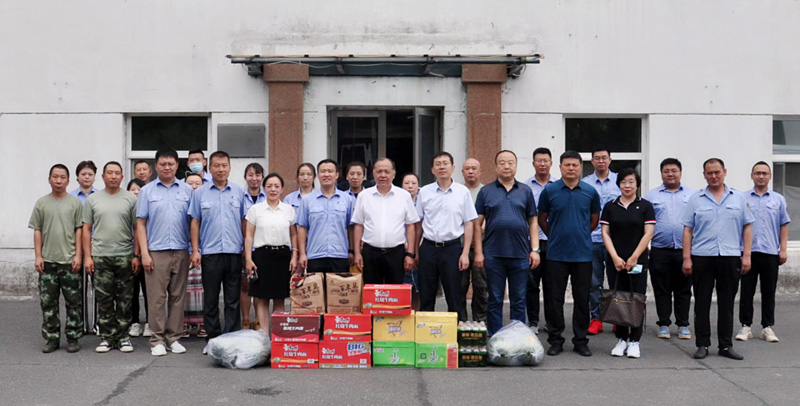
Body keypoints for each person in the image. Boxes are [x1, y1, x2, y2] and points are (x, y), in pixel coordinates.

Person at [683, 158, 754, 360]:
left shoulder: (738, 198)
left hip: (730, 257)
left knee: (727, 303)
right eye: (709, 173)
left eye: (717, 172)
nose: (713, 176)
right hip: (702, 257)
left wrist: (746, 255)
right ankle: (702, 344)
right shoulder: (696, 199)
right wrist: (686, 257)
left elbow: (748, 226)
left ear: (724, 172)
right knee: (701, 303)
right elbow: (687, 230)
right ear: (704, 175)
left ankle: (725, 345)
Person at [538, 150, 601, 357]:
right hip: (556, 254)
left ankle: (580, 341)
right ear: (560, 167)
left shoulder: (590, 192)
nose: (571, 168)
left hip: (582, 254)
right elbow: (542, 219)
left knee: (582, 299)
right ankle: (555, 340)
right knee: (554, 299)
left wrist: (580, 234)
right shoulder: (550, 191)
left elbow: (594, 220)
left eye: (575, 165)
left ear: (580, 167)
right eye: (567, 165)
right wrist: (555, 235)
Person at [474, 151, 540, 336]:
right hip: (493, 254)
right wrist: (478, 252)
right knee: (495, 298)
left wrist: (535, 250)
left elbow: (533, 221)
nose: (506, 166)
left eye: (510, 163)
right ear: (496, 167)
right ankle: (496, 336)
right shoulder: (486, 191)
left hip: (520, 254)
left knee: (518, 299)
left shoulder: (525, 191)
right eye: (502, 163)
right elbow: (477, 224)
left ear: (516, 166)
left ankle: (516, 337)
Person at [136, 148, 194, 357]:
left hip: (181, 250)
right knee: (156, 298)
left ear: (177, 166)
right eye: (163, 164)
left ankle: (174, 338)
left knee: (178, 296)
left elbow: (193, 223)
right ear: (156, 166)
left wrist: (193, 250)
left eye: (171, 164)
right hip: (156, 251)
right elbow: (140, 223)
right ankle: (157, 339)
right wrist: (144, 253)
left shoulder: (188, 190)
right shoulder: (147, 191)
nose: (167, 167)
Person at [82, 161, 139, 353]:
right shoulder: (93, 199)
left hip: (125, 255)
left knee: (125, 299)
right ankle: (107, 337)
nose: (113, 176)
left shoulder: (130, 199)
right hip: (100, 256)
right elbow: (86, 229)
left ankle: (123, 337)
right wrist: (88, 257)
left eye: (117, 173)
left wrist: (137, 254)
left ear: (122, 177)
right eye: (110, 173)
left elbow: (138, 228)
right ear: (103, 176)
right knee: (104, 299)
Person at [189, 151, 247, 339]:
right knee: (211, 299)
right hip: (210, 254)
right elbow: (195, 221)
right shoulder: (200, 193)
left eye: (224, 165)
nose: (220, 169)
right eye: (216, 165)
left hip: (234, 252)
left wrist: (246, 250)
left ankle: (231, 338)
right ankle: (213, 339)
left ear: (229, 168)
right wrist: (195, 250)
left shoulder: (238, 191)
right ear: (210, 167)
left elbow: (244, 221)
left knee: (232, 299)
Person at [414, 152, 477, 321]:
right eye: (438, 164)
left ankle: (455, 333)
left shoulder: (462, 192)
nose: (442, 167)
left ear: (453, 168)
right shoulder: (424, 192)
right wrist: (415, 251)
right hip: (428, 248)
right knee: (427, 295)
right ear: (432, 170)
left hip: (452, 249)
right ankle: (425, 332)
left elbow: (469, 223)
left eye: (445, 163)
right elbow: (418, 223)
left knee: (455, 296)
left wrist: (465, 253)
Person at [600, 168, 655, 358]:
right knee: (619, 298)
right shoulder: (610, 206)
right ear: (618, 185)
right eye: (623, 182)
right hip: (615, 261)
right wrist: (615, 257)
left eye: (631, 181)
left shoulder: (645, 206)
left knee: (636, 298)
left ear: (637, 184)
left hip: (638, 261)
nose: (627, 185)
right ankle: (621, 339)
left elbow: (648, 233)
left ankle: (635, 341)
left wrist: (634, 257)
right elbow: (605, 233)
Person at [29, 164, 84, 353]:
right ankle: (52, 338)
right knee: (48, 303)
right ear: (49, 179)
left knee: (74, 302)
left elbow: (79, 230)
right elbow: (37, 230)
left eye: (62, 177)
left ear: (68, 181)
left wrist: (78, 255)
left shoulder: (75, 203)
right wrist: (38, 256)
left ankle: (73, 337)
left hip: (69, 261)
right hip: (48, 261)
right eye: (55, 177)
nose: (58, 180)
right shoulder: (41, 203)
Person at [736, 161, 790, 343]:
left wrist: (783, 249)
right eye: (757, 173)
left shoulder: (778, 200)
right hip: (747, 252)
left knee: (769, 291)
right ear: (752, 176)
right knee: (746, 291)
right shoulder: (742, 198)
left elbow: (783, 225)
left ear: (770, 176)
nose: (761, 176)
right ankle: (746, 326)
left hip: (770, 252)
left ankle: (767, 327)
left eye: (764, 173)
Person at [644, 158, 695, 340]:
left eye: (674, 170)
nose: (670, 174)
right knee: (661, 288)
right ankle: (664, 324)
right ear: (661, 174)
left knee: (684, 289)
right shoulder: (651, 196)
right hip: (660, 250)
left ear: (680, 173)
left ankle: (683, 324)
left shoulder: (692, 195)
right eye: (666, 171)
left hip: (685, 251)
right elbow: (645, 222)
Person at [244, 173, 298, 333]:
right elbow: (249, 236)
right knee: (262, 298)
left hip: (283, 256)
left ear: (282, 189)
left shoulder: (288, 210)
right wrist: (248, 259)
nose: (273, 189)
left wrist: (295, 255)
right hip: (262, 256)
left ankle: (277, 335)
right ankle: (264, 335)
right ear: (264, 188)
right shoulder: (255, 210)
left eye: (276, 186)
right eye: (269, 186)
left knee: (280, 297)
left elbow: (294, 235)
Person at [353, 158, 419, 284]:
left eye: (387, 172)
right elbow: (358, 225)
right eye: (379, 171)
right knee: (372, 291)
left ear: (393, 174)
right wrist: (357, 253)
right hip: (370, 252)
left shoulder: (403, 196)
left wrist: (410, 254)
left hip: (396, 253)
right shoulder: (364, 196)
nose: (383, 175)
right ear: (373, 173)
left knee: (395, 291)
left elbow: (410, 225)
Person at [582, 148, 620, 335]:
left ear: (610, 160)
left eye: (604, 158)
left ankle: (616, 318)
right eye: (597, 158)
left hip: (615, 241)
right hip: (592, 239)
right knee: (594, 282)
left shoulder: (620, 181)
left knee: (615, 281)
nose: (601, 161)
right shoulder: (585, 183)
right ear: (592, 161)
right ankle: (596, 319)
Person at [297, 159, 355, 274]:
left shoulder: (347, 199)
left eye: (330, 171)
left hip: (340, 256)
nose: (326, 174)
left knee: (339, 286)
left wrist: (351, 251)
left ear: (337, 175)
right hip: (315, 256)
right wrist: (303, 254)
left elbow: (351, 228)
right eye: (323, 171)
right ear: (318, 175)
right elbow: (302, 228)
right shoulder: (307, 200)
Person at [524, 147, 556, 332]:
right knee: (531, 285)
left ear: (551, 163)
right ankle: (533, 322)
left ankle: (552, 322)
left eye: (545, 160)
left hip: (553, 242)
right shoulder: (525, 187)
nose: (542, 164)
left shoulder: (558, 185)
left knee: (552, 286)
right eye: (539, 160)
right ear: (533, 163)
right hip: (532, 244)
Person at [72, 160, 99, 334]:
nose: (87, 177)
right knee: (78, 286)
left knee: (98, 286)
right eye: (83, 174)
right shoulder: (71, 197)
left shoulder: (100, 196)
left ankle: (97, 323)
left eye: (90, 174)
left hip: (96, 245)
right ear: (77, 177)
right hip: (77, 247)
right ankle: (81, 323)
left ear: (95, 177)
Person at [460, 158, 488, 322]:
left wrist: (482, 226)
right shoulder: (457, 191)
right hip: (460, 246)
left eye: (474, 168)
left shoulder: (487, 191)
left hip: (481, 247)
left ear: (480, 172)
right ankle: (460, 322)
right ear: (462, 172)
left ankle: (480, 321)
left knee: (481, 287)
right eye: (467, 168)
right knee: (459, 287)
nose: (470, 171)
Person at [241, 163, 266, 331]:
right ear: (245, 177)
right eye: (250, 175)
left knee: (259, 286)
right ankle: (245, 320)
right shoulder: (239, 196)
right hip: (243, 247)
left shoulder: (267, 196)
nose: (254, 179)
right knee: (244, 285)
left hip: (262, 247)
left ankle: (258, 320)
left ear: (262, 177)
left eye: (257, 175)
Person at [126, 179, 152, 339]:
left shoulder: (149, 205)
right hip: (129, 254)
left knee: (149, 290)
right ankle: (134, 321)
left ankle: (150, 321)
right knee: (132, 291)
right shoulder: (125, 207)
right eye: (133, 189)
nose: (136, 192)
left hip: (147, 254)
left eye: (139, 189)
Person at [182, 173, 206, 338]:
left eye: (198, 183)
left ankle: (202, 323)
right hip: (184, 250)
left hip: (203, 251)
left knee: (203, 290)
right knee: (183, 290)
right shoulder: (181, 203)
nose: (194, 186)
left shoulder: (204, 202)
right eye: (190, 183)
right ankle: (183, 324)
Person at [402, 173, 422, 310]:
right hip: (401, 248)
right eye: (406, 183)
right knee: (404, 286)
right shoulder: (397, 201)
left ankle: (417, 314)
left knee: (418, 287)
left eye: (413, 183)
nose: (410, 186)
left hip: (420, 248)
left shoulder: (422, 203)